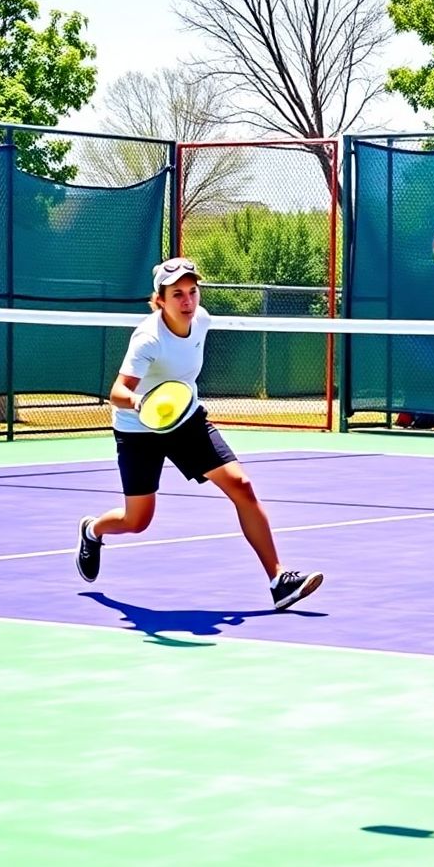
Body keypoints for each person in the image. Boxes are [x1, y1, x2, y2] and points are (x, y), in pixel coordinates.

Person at [74, 258, 323, 611]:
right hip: (138, 427)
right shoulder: (148, 339)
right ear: (158, 300)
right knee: (138, 520)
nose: (188, 301)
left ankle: (279, 580)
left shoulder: (202, 320)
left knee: (242, 486)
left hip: (186, 419)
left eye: (192, 292)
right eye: (177, 294)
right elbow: (116, 391)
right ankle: (93, 530)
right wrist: (141, 402)